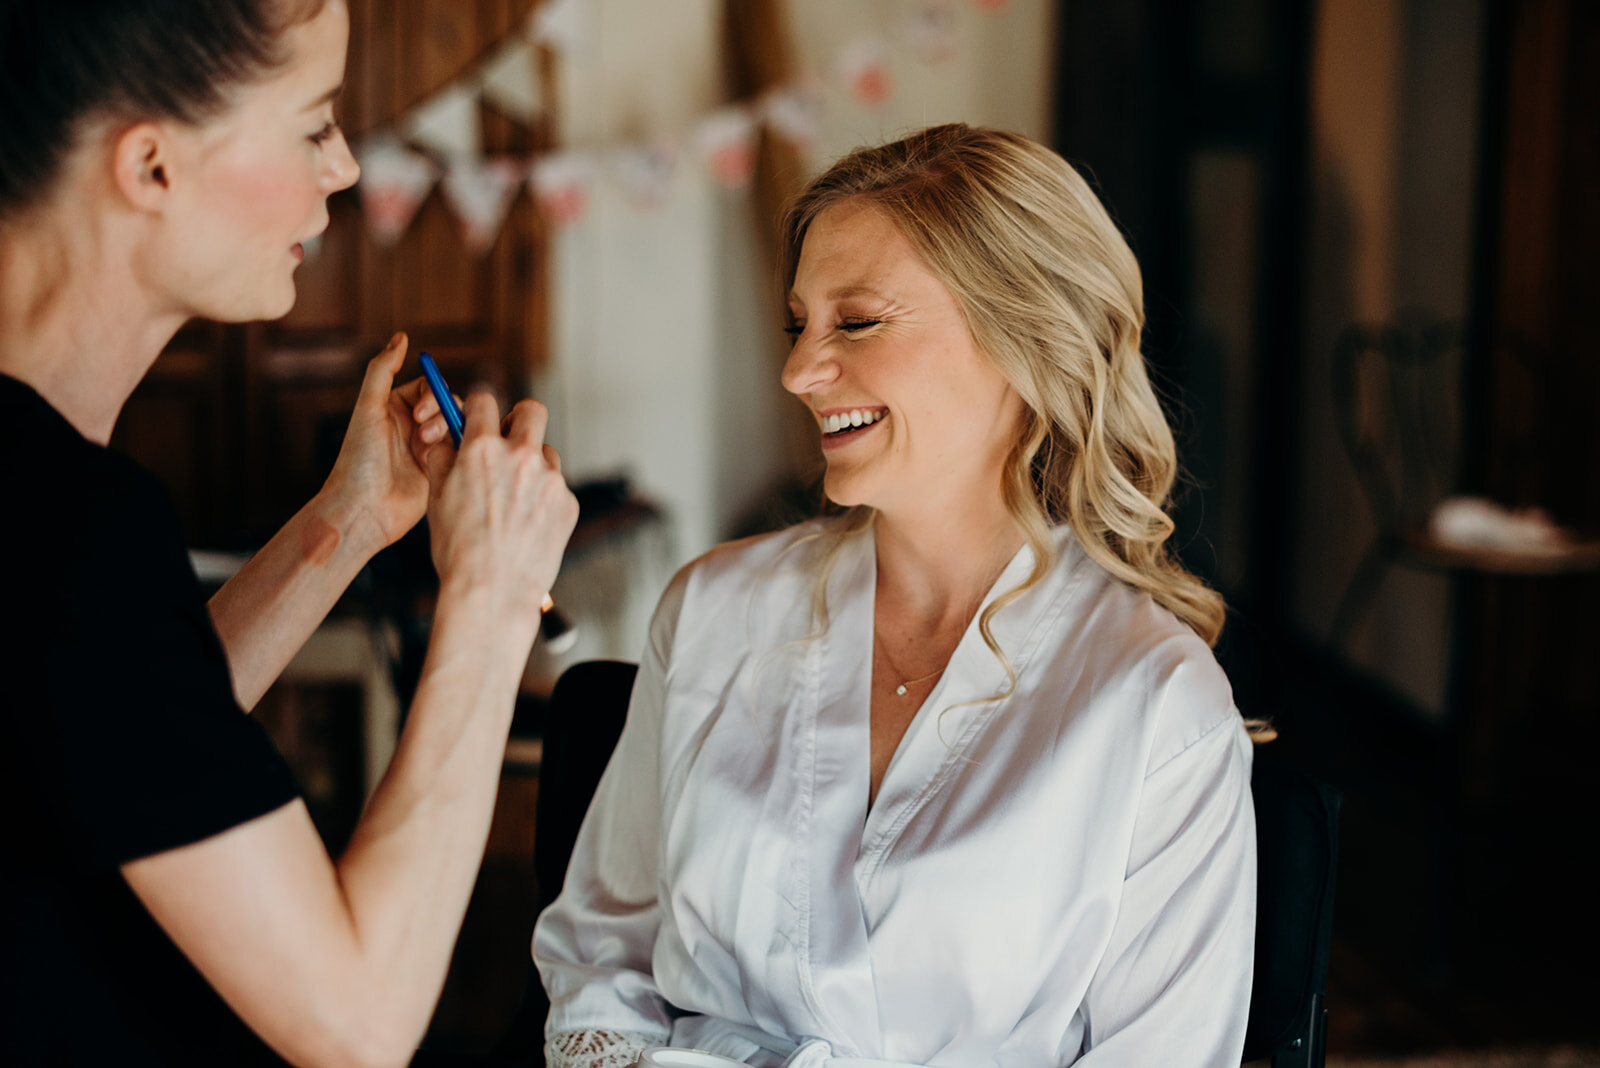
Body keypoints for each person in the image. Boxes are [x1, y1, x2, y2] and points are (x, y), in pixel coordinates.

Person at [532, 124, 1257, 1068]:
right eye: (800, 324)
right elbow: (602, 958)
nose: (799, 372)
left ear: (1026, 340)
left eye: (858, 321)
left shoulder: (1157, 705)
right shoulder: (710, 614)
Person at [0, 2, 577, 1065]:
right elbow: (356, 1024)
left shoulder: (49, 510)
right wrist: (492, 596)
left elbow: (118, 731)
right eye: (313, 123)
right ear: (153, 166)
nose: (349, 167)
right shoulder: (60, 522)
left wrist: (343, 526)